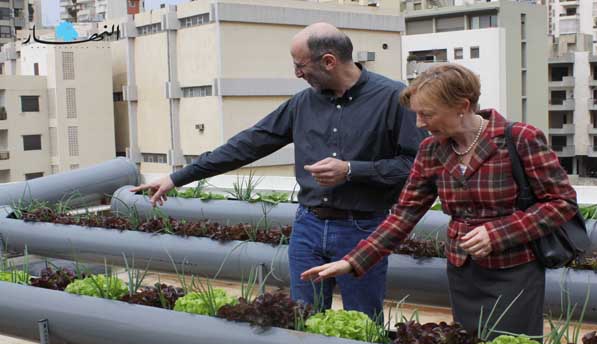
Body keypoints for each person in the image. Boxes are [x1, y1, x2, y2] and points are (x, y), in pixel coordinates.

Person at [130, 22, 426, 319]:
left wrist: (351, 170)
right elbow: (247, 145)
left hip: (362, 229)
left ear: (329, 61)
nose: (297, 73)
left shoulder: (393, 98)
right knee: (301, 319)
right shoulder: (301, 103)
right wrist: (176, 177)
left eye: (300, 65)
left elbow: (414, 165)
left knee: (362, 323)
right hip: (308, 227)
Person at [301, 63, 579, 338]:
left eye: (427, 114)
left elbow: (561, 202)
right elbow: (403, 215)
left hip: (515, 271)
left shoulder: (520, 138)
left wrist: (496, 233)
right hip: (463, 271)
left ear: (462, 106)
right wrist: (351, 262)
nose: (420, 123)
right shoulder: (430, 150)